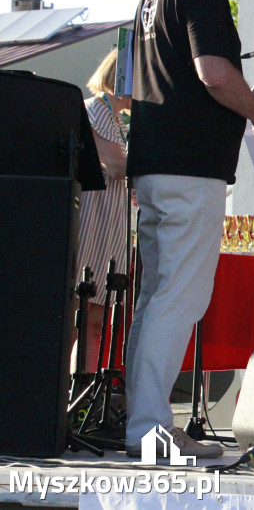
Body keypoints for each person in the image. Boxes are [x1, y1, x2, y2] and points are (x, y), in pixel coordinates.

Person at [125, 0, 254, 458]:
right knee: (179, 297)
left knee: (158, 297)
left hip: (156, 162)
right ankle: (149, 429)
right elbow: (213, 72)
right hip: (189, 167)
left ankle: (143, 421)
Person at [76, 49, 130, 371]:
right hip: (93, 226)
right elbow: (116, 166)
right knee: (78, 321)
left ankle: (84, 399)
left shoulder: (116, 120)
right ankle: (68, 401)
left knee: (94, 325)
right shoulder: (95, 109)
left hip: (108, 227)